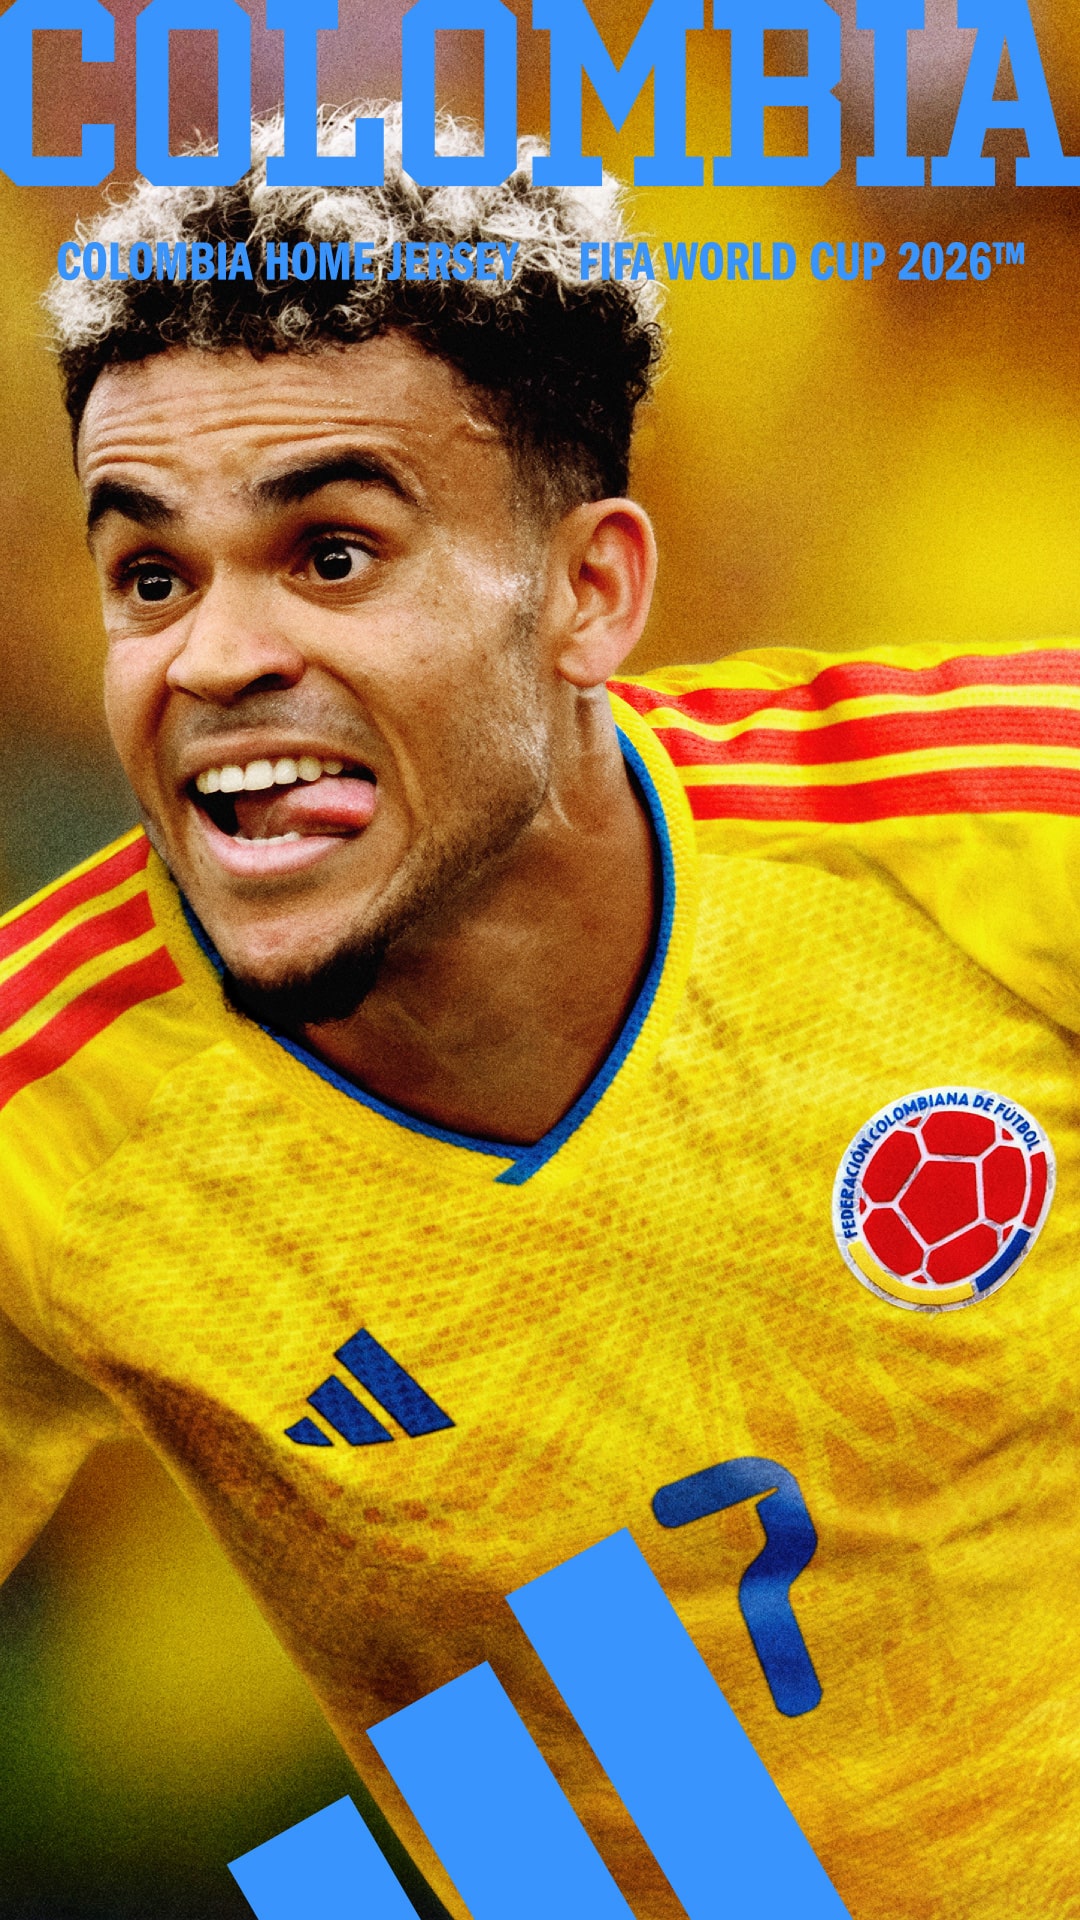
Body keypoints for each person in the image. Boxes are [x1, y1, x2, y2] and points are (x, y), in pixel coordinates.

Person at [3, 100, 1079, 1920]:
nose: (220, 661)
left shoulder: (1004, 819)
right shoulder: (55, 1105)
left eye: (337, 556)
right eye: (152, 576)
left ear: (594, 590)